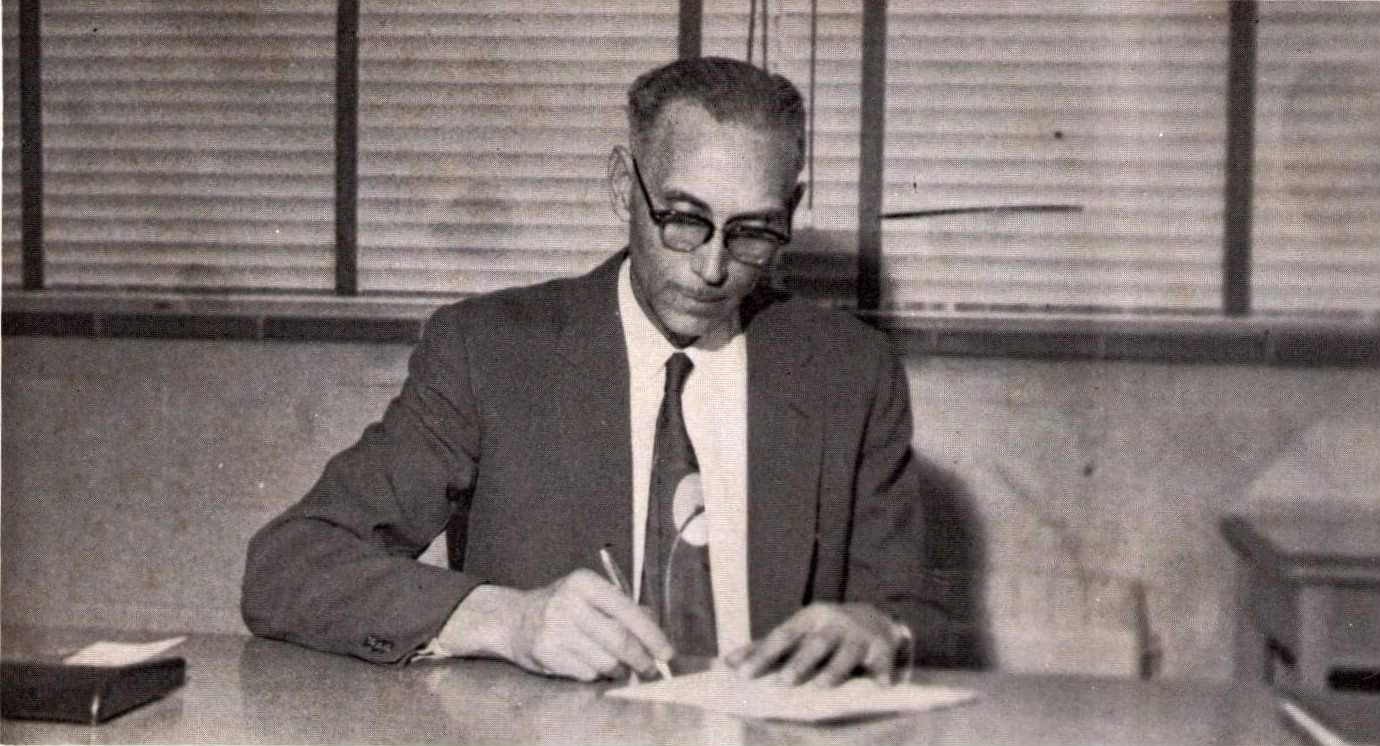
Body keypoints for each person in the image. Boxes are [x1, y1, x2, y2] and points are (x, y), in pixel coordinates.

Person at [242, 56, 925, 688]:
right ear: (622, 188)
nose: (713, 268)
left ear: (792, 211)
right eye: (683, 220)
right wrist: (506, 620)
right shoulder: (490, 351)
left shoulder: (849, 370)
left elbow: (906, 607)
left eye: (753, 232)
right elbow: (287, 566)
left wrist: (879, 629)